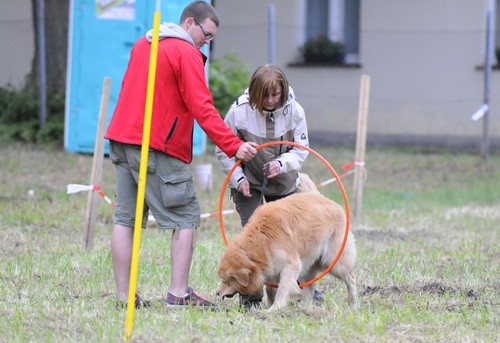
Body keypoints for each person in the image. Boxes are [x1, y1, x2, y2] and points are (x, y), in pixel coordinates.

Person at [104, 1, 257, 309]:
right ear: (190, 23)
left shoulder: (144, 43)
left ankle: (124, 298)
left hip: (122, 138)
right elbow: (202, 106)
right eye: (207, 34)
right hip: (157, 145)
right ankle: (178, 294)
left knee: (126, 220)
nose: (207, 42)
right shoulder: (185, 52)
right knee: (186, 217)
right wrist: (233, 144)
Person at [215, 64, 323, 308]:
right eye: (266, 95)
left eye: (276, 95)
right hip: (248, 183)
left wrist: (281, 165)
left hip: (284, 183)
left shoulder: (295, 111)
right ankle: (250, 296)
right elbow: (223, 150)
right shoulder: (238, 112)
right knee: (252, 242)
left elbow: (301, 150)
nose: (272, 100)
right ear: (255, 92)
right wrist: (239, 180)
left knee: (294, 239)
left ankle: (303, 285)